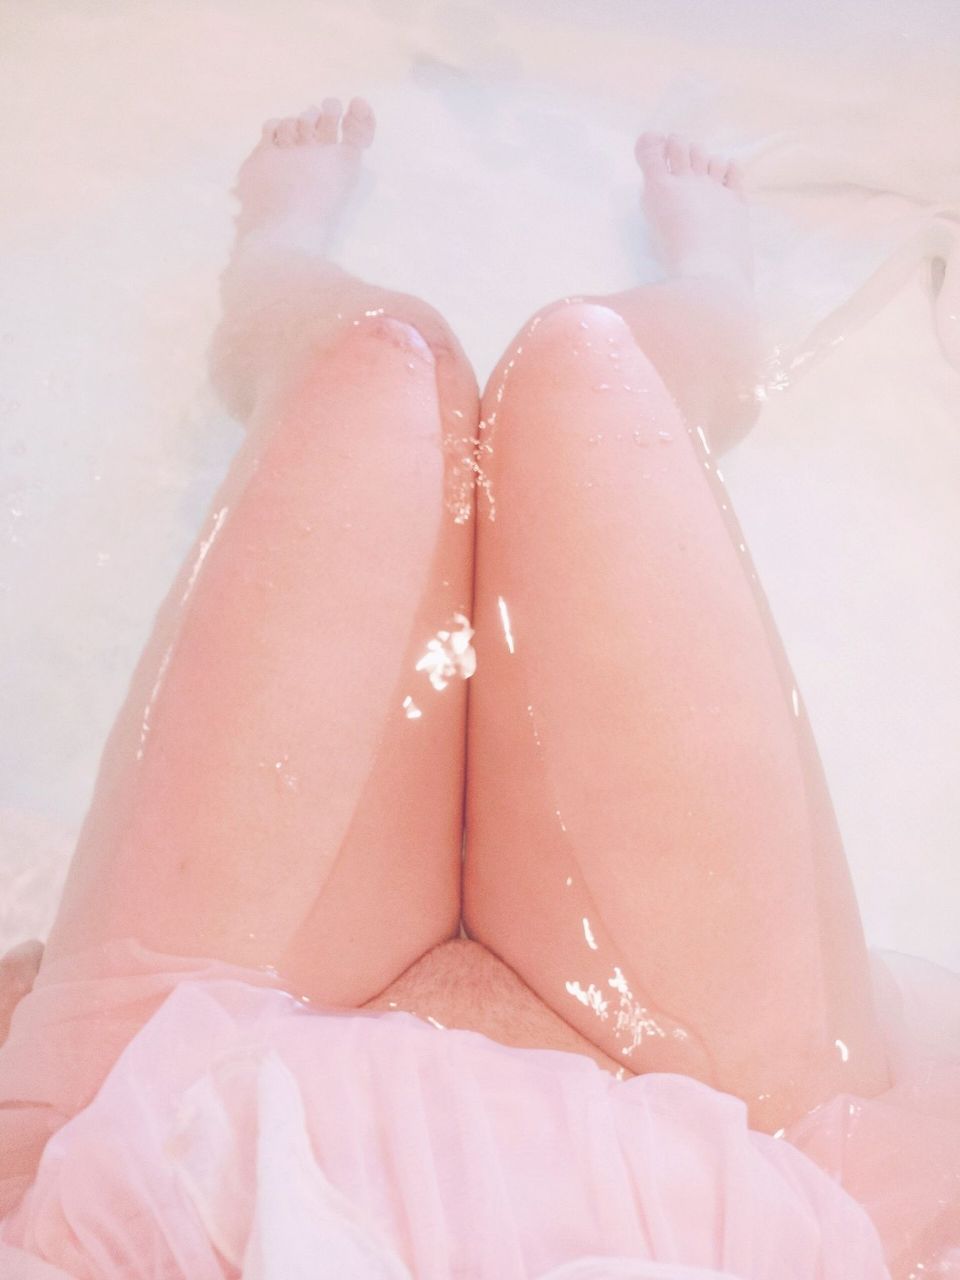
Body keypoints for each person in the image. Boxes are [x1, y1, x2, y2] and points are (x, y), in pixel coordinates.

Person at [0, 97, 957, 1280]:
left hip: (162, 1137)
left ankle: (274, 269)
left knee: (375, 358)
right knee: (591, 365)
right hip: (755, 1168)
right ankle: (715, 300)